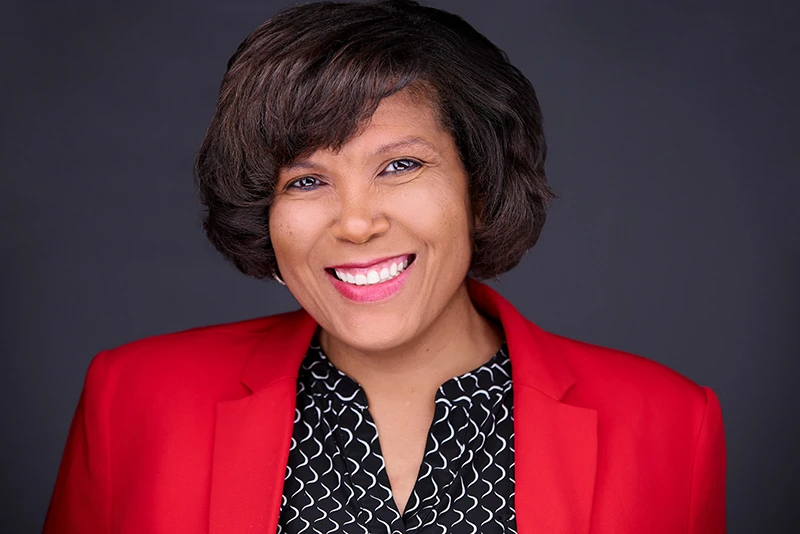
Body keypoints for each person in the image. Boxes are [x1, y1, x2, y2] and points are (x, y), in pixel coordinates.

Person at [43, 1, 726, 532]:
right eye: (306, 181)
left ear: (479, 189)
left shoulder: (668, 424)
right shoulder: (133, 400)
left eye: (400, 165)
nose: (357, 221)